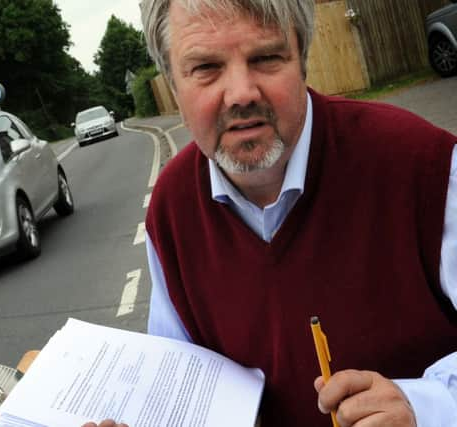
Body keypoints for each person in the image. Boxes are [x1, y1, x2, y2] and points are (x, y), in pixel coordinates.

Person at [84, 0, 457, 426]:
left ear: (303, 61)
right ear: (173, 84)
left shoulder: (422, 165)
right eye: (206, 67)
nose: (241, 93)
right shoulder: (171, 208)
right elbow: (179, 381)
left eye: (266, 57)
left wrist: (423, 408)